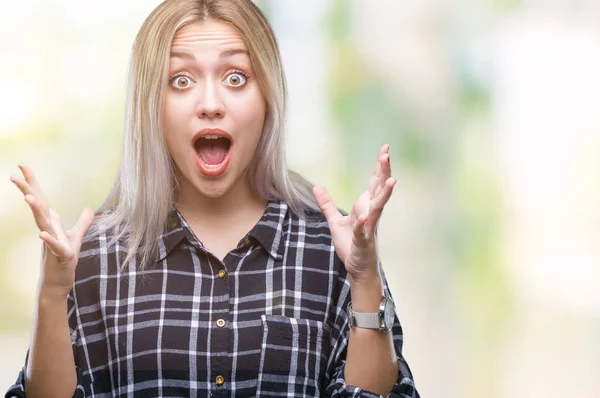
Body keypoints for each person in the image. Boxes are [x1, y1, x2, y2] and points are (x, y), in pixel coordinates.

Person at [6, 0, 419, 397]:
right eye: (181, 80)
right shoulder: (93, 256)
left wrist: (365, 281)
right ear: (151, 104)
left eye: (236, 77)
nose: (210, 105)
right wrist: (51, 293)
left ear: (267, 98)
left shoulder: (333, 247)